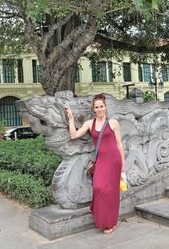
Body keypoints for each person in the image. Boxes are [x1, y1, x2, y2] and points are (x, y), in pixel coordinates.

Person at [65, 93, 125, 234]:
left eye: (101, 106)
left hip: (114, 160)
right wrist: (71, 118)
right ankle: (99, 212)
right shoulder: (89, 124)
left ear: (105, 107)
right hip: (101, 161)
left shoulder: (113, 123)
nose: (99, 109)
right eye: (96, 107)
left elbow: (119, 144)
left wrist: (123, 163)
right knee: (98, 188)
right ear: (93, 109)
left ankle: (111, 223)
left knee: (112, 193)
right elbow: (74, 135)